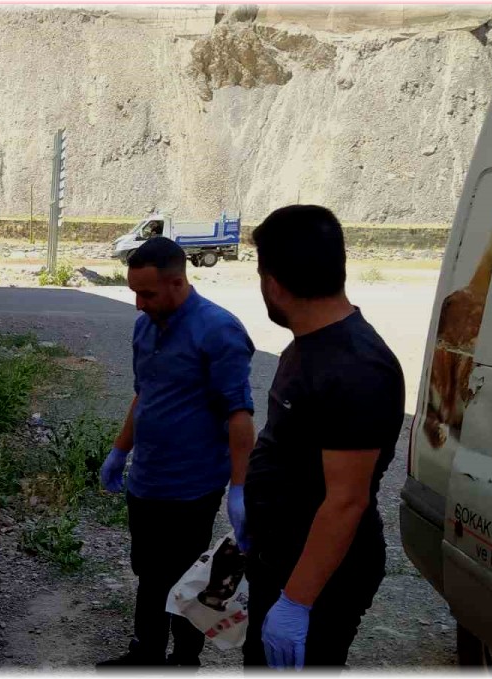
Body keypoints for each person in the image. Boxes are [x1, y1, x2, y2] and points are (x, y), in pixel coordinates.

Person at [242, 205, 405, 670]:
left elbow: (346, 501)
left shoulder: (357, 367)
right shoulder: (308, 345)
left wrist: (297, 601)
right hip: (281, 556)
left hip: (319, 578)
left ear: (272, 283)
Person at [96, 236, 257, 669]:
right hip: (146, 480)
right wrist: (119, 451)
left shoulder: (218, 331)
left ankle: (185, 662)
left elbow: (239, 415)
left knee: (188, 581)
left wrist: (239, 487)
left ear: (178, 283)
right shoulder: (145, 327)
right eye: (134, 293)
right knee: (149, 573)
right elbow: (144, 395)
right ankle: (146, 654)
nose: (138, 304)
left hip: (192, 487)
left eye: (147, 294)